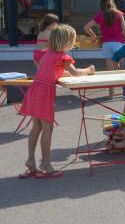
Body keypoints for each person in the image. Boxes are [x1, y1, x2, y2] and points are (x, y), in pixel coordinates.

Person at [19, 24, 95, 178]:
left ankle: (31, 161)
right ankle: (46, 163)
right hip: (45, 93)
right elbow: (75, 73)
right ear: (67, 42)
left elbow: (55, 71)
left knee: (36, 128)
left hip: (35, 90)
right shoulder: (62, 57)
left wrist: (65, 73)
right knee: (48, 129)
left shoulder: (48, 53)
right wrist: (89, 70)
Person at [84, 0, 125, 99]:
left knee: (110, 71)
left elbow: (86, 27)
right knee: (123, 69)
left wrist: (93, 36)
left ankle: (111, 94)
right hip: (119, 43)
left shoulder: (100, 15)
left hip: (106, 44)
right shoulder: (119, 14)